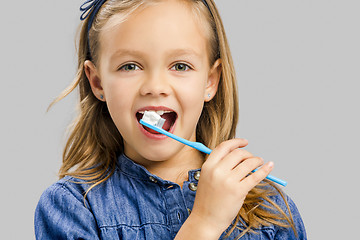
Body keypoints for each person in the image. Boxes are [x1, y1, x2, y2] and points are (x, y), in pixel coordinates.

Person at [34, 0, 306, 239]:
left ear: (210, 81)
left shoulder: (271, 212)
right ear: (97, 82)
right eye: (130, 66)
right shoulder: (72, 208)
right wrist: (203, 224)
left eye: (180, 66)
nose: (155, 86)